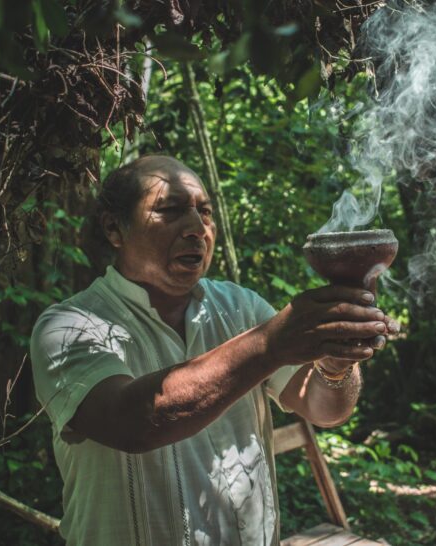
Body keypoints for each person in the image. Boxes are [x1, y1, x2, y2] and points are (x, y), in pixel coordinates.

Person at [30, 155, 397, 546]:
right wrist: (271, 345)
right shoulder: (69, 326)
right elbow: (130, 422)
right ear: (114, 228)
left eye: (204, 213)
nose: (196, 229)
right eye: (170, 211)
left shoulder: (240, 306)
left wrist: (337, 362)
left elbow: (324, 408)